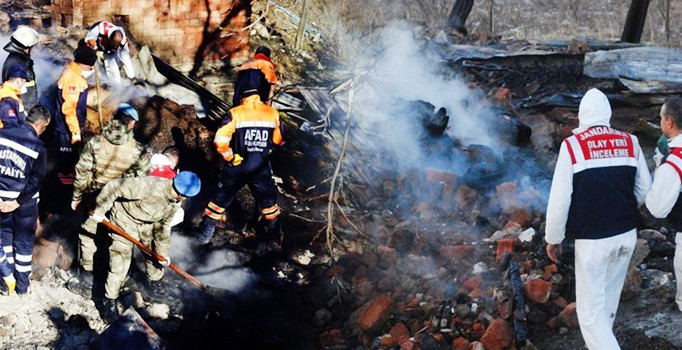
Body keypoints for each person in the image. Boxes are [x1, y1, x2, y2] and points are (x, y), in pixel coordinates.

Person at [544, 88, 651, 350]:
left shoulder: (572, 146)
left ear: (582, 116)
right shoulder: (631, 142)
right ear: (608, 115)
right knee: (607, 306)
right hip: (626, 234)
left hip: (593, 240)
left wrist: (553, 238)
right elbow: (644, 191)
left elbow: (560, 200)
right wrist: (621, 207)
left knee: (590, 316)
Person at [88, 171, 201, 321]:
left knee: (154, 257)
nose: (185, 200)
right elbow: (115, 186)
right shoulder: (149, 185)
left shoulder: (175, 202)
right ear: (183, 194)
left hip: (147, 225)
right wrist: (100, 210)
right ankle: (109, 301)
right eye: (187, 197)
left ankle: (156, 283)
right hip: (124, 222)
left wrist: (163, 253)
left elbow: (163, 226)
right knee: (119, 265)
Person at [68, 103, 150, 297]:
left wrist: (77, 197)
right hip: (122, 204)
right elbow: (142, 181)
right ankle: (114, 279)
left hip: (95, 198)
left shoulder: (95, 143)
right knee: (117, 242)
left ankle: (86, 280)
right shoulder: (139, 150)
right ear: (131, 124)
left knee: (88, 236)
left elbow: (81, 172)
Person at [197, 80, 284, 247]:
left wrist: (230, 157)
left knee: (218, 202)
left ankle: (203, 235)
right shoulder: (272, 113)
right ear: (258, 95)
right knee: (269, 204)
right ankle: (273, 239)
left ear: (242, 96)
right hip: (260, 167)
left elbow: (220, 140)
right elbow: (278, 140)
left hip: (238, 167)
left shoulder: (235, 113)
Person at [0, 106, 50, 295]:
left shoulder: (2, 133)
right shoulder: (38, 146)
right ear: (39, 124)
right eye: (45, 127)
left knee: (4, 237)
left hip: (1, 199)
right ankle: (22, 287)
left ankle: (7, 282)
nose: (44, 131)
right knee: (23, 244)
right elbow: (36, 180)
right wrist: (17, 202)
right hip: (24, 205)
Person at [645, 97, 682, 312]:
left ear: (669, 122)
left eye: (660, 117)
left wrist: (660, 170)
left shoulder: (674, 162)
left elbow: (657, 208)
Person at [54, 46, 97, 185]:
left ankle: (68, 176)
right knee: (67, 156)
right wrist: (75, 132)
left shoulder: (74, 71)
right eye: (90, 67)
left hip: (70, 125)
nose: (91, 70)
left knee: (71, 155)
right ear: (84, 64)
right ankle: (65, 185)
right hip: (66, 127)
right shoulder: (72, 79)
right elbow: (69, 109)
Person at [84, 21, 135, 85]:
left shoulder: (123, 41)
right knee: (89, 62)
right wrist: (92, 42)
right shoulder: (101, 28)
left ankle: (116, 87)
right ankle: (85, 79)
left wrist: (132, 76)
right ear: (109, 38)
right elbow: (90, 37)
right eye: (114, 45)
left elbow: (125, 58)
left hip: (107, 50)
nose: (115, 47)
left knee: (112, 68)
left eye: (117, 45)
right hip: (95, 44)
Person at [2, 26, 40, 111]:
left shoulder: (18, 59)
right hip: (24, 111)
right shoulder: (17, 65)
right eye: (32, 47)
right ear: (26, 47)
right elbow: (22, 94)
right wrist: (28, 115)